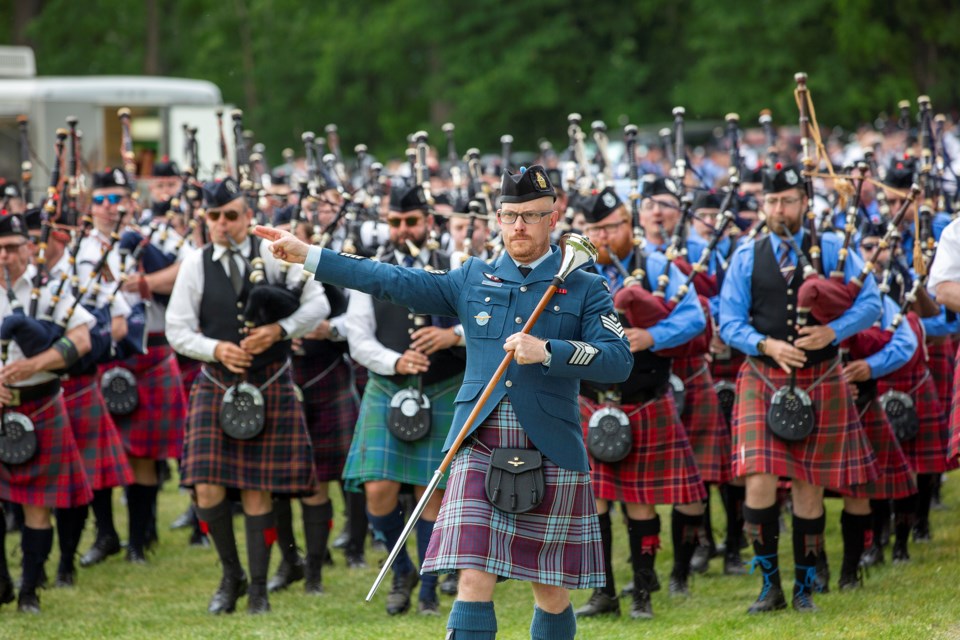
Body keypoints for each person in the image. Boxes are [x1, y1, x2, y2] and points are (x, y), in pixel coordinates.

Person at [255, 165, 633, 640]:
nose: (520, 226)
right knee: (473, 577)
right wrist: (310, 255)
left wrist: (549, 351)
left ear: (552, 219)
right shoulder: (473, 276)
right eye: (511, 215)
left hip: (552, 444)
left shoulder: (584, 284)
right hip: (477, 440)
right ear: (497, 218)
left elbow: (618, 361)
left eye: (532, 216)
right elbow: (388, 279)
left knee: (550, 587)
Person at [719, 164, 882, 613]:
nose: (778, 209)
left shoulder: (834, 247)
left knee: (810, 486)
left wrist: (834, 332)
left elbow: (872, 304)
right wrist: (765, 343)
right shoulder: (746, 255)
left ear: (805, 202)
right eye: (771, 201)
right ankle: (768, 587)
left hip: (822, 376)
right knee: (758, 481)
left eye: (787, 200)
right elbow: (728, 321)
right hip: (763, 375)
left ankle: (805, 588)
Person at [165, 176, 329, 614]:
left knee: (258, 489)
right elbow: (176, 328)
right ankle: (230, 575)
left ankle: (257, 588)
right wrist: (215, 348)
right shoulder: (195, 263)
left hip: (270, 378)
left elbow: (319, 305)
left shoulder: (274, 253)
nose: (222, 224)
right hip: (217, 382)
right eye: (214, 216)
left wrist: (279, 329)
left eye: (231, 215)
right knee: (205, 489)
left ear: (247, 216)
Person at [573, 186, 708, 620]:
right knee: (593, 502)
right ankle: (603, 592)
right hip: (591, 398)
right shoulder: (572, 272)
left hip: (643, 398)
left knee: (640, 503)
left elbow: (693, 318)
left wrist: (651, 336)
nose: (603, 235)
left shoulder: (657, 266)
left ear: (629, 225)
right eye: (595, 228)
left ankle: (643, 593)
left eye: (611, 226)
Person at [340, 183, 467, 616]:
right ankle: (402, 571)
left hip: (444, 387)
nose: (402, 229)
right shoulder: (371, 270)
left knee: (430, 494)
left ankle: (429, 590)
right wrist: (396, 362)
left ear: (429, 221)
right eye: (394, 222)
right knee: (377, 490)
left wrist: (453, 335)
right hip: (389, 386)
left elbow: (492, 318)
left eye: (410, 221)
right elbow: (357, 337)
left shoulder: (455, 265)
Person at [0, 212, 95, 612]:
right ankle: (3, 582)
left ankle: (29, 591)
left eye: (11, 248)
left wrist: (35, 364)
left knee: (38, 504)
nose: (5, 256)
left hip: (40, 402)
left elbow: (82, 340)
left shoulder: (52, 286)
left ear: (28, 248)